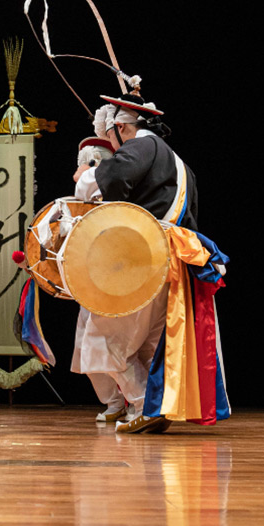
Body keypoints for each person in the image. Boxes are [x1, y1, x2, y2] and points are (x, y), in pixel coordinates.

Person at [73, 93, 228, 434]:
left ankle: (145, 403)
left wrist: (87, 175)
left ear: (121, 127)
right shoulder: (179, 163)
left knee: (101, 339)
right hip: (171, 262)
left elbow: (107, 181)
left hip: (142, 259)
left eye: (112, 138)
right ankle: (151, 405)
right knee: (146, 345)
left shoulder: (143, 146)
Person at [68, 137, 128, 423]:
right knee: (87, 347)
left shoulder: (120, 203)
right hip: (90, 288)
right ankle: (114, 403)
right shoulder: (80, 208)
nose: (75, 176)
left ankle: (138, 402)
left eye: (83, 169)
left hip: (117, 287)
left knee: (111, 347)